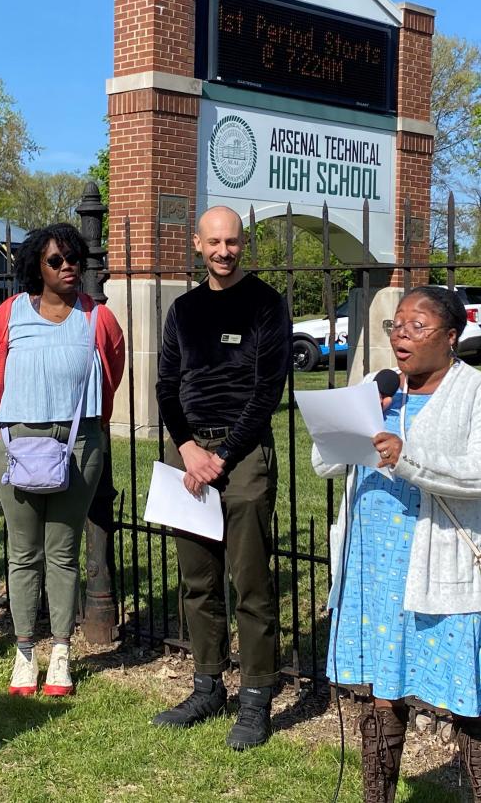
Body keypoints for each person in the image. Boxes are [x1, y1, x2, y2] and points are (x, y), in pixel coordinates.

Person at [314, 285, 481, 803]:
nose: (402, 334)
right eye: (396, 324)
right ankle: (375, 796)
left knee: (469, 696)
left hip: (440, 566)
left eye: (417, 325)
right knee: (382, 691)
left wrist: (406, 456)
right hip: (374, 567)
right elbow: (328, 463)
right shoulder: (379, 389)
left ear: (451, 336)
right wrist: (356, 417)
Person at [152, 205, 290, 751]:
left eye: (232, 242)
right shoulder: (183, 309)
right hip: (186, 452)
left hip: (244, 453)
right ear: (197, 244)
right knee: (197, 578)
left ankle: (256, 697)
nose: (224, 251)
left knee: (250, 582)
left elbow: (268, 388)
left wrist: (224, 455)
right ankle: (207, 684)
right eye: (214, 242)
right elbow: (166, 384)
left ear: (243, 244)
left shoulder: (265, 304)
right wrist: (187, 448)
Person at [0, 223, 125, 696]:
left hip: (79, 446)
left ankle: (60, 652)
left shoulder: (98, 318)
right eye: (55, 261)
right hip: (17, 444)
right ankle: (24, 653)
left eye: (73, 259)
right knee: (23, 554)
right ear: (36, 268)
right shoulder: (10, 314)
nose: (67, 268)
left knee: (63, 552)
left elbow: (112, 367)